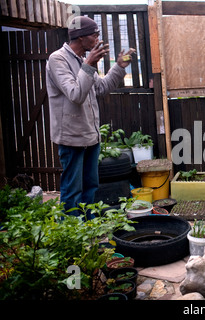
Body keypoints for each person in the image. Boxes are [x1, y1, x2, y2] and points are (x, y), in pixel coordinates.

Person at [46, 15, 136, 217]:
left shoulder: (81, 61)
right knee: (72, 190)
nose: (98, 39)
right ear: (80, 37)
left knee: (91, 187)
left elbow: (101, 88)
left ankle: (89, 230)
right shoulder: (57, 59)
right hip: (71, 138)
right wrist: (88, 64)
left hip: (90, 136)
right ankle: (72, 236)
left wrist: (119, 67)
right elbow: (75, 94)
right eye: (95, 35)